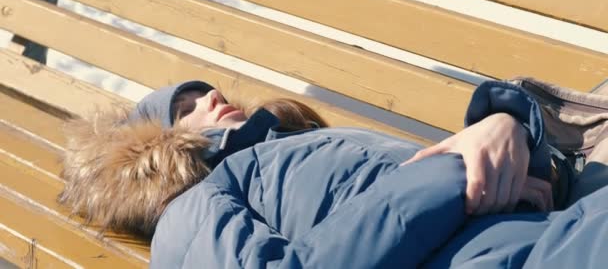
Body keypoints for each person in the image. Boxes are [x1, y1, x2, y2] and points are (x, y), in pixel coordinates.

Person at [58, 79, 607, 268]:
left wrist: (503, 127)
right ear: (152, 155)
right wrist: (455, 168)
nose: (213, 97)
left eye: (206, 89)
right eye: (186, 108)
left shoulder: (292, 146)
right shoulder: (189, 213)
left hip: (543, 226)